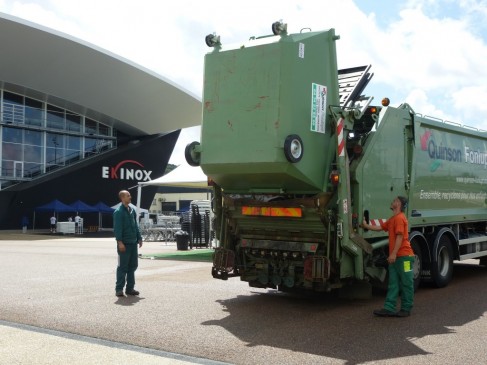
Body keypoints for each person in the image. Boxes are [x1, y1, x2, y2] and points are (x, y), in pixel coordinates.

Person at [362, 196, 415, 317]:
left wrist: (393, 254)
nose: (393, 201)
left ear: (399, 204)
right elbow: (379, 228)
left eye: (395, 200)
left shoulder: (400, 218)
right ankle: (389, 308)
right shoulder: (393, 219)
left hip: (405, 257)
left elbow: (400, 237)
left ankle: (406, 308)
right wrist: (365, 225)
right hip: (396, 258)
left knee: (406, 283)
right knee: (393, 284)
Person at [113, 190, 143, 297]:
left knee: (133, 266)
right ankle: (119, 289)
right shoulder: (118, 212)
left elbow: (135, 225)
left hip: (133, 243)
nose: (130, 197)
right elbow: (117, 229)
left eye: (129, 195)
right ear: (122, 198)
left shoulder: (132, 211)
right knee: (122, 267)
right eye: (128, 196)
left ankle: (130, 288)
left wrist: (139, 238)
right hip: (124, 244)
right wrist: (119, 242)